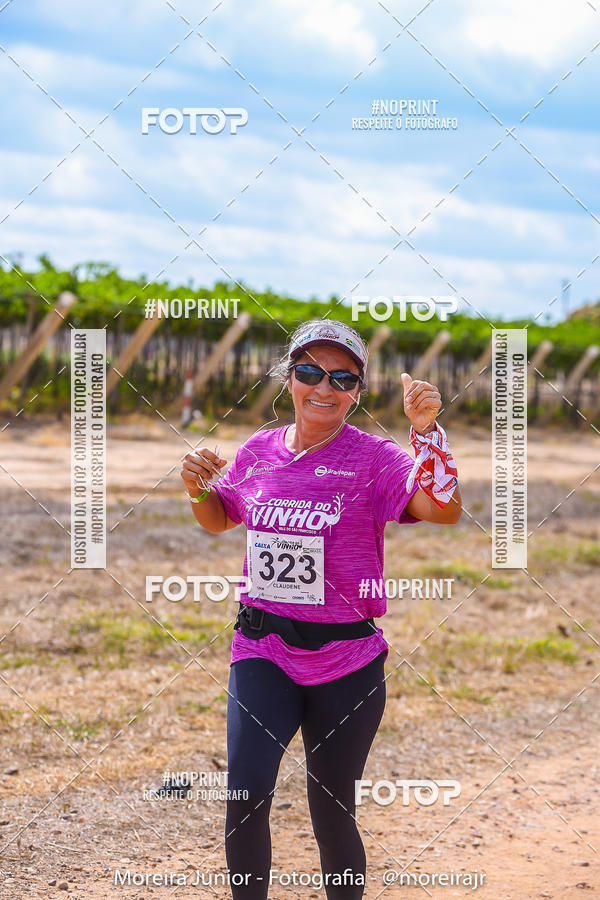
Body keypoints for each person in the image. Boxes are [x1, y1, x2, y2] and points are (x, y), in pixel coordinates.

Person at [180, 320, 462, 898]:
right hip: (263, 649)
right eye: (309, 372)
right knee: (246, 793)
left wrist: (428, 432)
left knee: (332, 812)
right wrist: (196, 489)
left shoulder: (375, 458)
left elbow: (443, 509)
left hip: (348, 661)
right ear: (290, 379)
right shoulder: (258, 450)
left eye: (342, 378)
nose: (323, 387)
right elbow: (219, 518)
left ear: (358, 391)